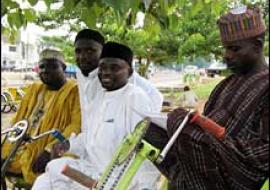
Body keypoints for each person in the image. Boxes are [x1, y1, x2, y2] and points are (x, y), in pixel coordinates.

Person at [144, 5, 269, 189]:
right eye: (225, 48)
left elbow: (261, 156)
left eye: (235, 49)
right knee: (149, 132)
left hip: (233, 179)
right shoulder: (223, 86)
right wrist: (188, 129)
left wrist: (191, 134)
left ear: (257, 46)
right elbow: (205, 126)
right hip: (200, 174)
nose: (227, 56)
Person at [32, 42, 160, 190]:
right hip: (93, 171)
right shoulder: (99, 97)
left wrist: (144, 186)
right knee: (47, 178)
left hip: (122, 180)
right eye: (103, 67)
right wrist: (68, 145)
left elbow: (146, 148)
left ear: (129, 72)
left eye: (114, 68)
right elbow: (90, 137)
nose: (106, 72)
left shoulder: (135, 98)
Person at [1, 48, 81, 184]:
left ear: (64, 68)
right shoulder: (34, 90)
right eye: (42, 67)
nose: (45, 70)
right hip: (22, 146)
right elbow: (18, 123)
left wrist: (49, 150)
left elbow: (76, 126)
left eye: (52, 66)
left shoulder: (74, 91)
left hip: (50, 148)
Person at [74, 29, 163, 130]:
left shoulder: (121, 76)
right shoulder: (80, 73)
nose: (83, 57)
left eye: (90, 51)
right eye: (78, 51)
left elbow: (156, 97)